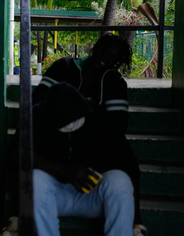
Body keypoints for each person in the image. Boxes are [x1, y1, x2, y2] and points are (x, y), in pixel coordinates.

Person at [31, 34, 145, 236]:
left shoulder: (113, 82)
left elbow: (119, 126)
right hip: (57, 183)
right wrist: (68, 108)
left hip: (95, 184)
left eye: (114, 58)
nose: (108, 59)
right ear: (96, 48)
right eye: (105, 52)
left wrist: (89, 116)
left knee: (120, 179)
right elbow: (38, 101)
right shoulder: (64, 67)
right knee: (37, 177)